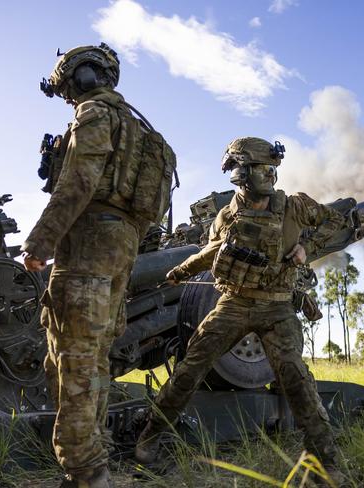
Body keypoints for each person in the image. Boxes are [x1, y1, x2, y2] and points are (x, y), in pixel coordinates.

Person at [135, 137, 346, 483]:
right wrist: (178, 273)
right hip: (233, 303)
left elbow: (334, 220)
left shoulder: (295, 206)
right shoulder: (226, 216)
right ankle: (149, 441)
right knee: (189, 371)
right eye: (263, 169)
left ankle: (327, 464)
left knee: (297, 382)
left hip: (277, 307)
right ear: (241, 174)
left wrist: (306, 246)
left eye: (272, 169)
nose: (270, 176)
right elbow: (210, 253)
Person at [23, 43, 176, 488]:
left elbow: (77, 183)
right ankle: (95, 461)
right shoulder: (144, 131)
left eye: (69, 84)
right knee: (96, 363)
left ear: (86, 77)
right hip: (121, 249)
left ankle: (87, 473)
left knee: (72, 362)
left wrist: (40, 241)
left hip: (87, 245)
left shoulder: (94, 114)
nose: (69, 94)